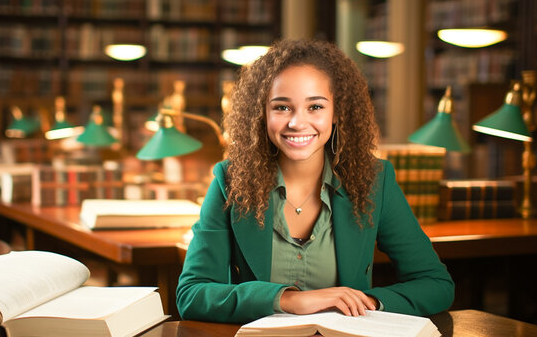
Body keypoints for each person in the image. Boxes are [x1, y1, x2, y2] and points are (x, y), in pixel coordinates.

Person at [176, 39, 454, 323]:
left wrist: (364, 303)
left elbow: (436, 285)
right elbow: (192, 295)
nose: (297, 122)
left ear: (337, 113)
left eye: (315, 107)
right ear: (262, 114)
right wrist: (290, 300)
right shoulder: (229, 180)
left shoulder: (375, 181)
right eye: (282, 108)